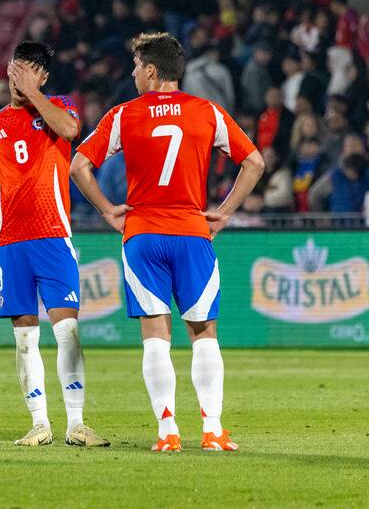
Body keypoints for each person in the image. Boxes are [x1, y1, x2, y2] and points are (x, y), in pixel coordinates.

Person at [71, 32, 264, 452]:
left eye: (137, 66)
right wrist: (226, 212)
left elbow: (80, 166)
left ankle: (167, 432)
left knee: (156, 335)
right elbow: (254, 161)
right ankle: (212, 430)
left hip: (142, 233)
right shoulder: (208, 112)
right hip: (193, 231)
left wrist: (107, 209)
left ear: (152, 71)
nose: (133, 73)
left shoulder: (124, 115)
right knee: (203, 332)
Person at [0, 41, 108, 448]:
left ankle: (77, 423)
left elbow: (70, 131)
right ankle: (39, 423)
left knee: (68, 331)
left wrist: (34, 94)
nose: (17, 77)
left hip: (53, 238)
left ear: (42, 76)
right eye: (14, 69)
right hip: (9, 243)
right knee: (25, 338)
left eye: (27, 70)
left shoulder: (59, 106)